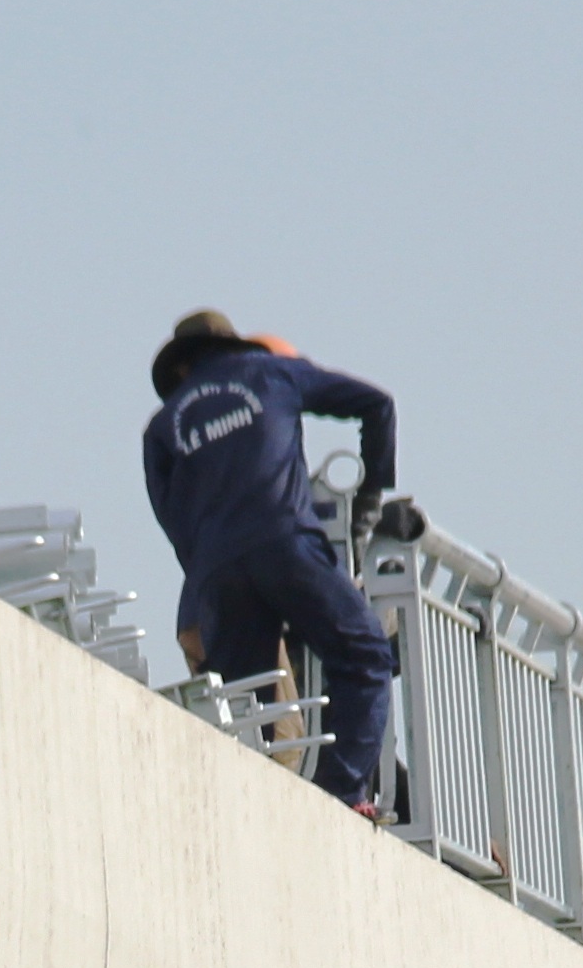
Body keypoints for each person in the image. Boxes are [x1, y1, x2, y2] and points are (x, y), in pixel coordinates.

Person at [140, 310, 421, 812]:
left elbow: (171, 520)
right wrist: (373, 492)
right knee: (365, 657)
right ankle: (341, 796)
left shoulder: (163, 427)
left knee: (253, 715)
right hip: (287, 545)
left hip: (216, 573)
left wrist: (208, 569)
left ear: (180, 368)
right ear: (234, 347)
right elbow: (376, 403)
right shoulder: (270, 373)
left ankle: (258, 816)